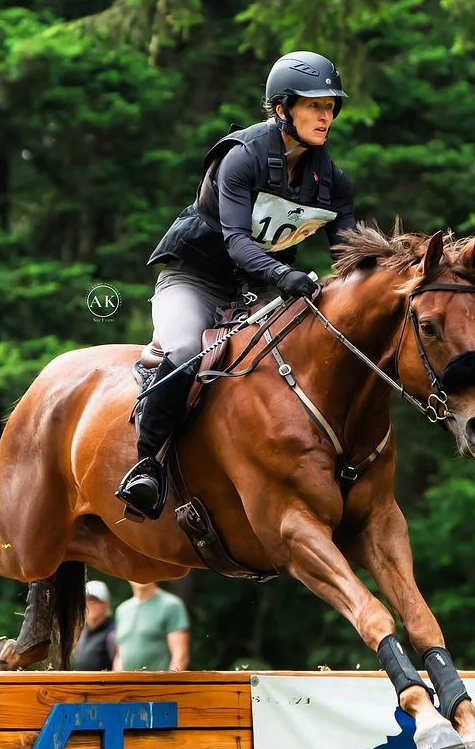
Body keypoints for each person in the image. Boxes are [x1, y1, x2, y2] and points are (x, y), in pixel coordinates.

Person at [115, 51, 359, 518]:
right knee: (186, 352)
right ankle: (147, 466)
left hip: (259, 292)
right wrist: (285, 276)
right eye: (314, 106)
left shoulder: (332, 182)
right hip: (194, 279)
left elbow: (348, 256)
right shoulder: (240, 158)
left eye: (331, 106)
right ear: (283, 109)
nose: (326, 116)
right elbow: (235, 242)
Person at [112, 580, 189, 671]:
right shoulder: (122, 610)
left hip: (159, 683)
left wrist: (171, 684)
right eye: (136, 569)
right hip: (126, 683)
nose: (140, 575)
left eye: (145, 569)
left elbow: (180, 654)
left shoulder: (171, 605)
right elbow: (119, 655)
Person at [70, 580, 117, 671]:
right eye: (87, 600)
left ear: (106, 604)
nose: (90, 604)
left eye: (96, 600)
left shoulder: (112, 635)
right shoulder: (81, 634)